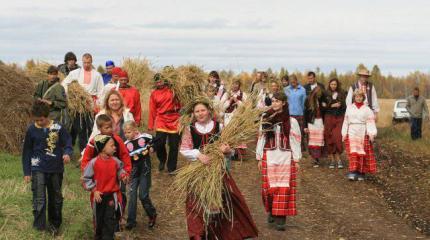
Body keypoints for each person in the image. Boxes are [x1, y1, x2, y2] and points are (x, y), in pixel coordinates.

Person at [179, 99, 258, 239]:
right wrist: (198, 155)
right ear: (193, 113)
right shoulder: (189, 128)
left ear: (209, 110)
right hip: (199, 174)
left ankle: (227, 233)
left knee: (226, 200)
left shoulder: (220, 127)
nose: (200, 113)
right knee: (198, 205)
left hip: (218, 172)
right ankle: (202, 234)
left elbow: (231, 151)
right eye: (197, 111)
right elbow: (184, 149)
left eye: (202, 110)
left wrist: (227, 150)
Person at [22, 102, 72, 234]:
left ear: (47, 116)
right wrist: (27, 171)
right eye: (36, 120)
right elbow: (27, 151)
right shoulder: (31, 129)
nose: (39, 122)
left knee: (55, 197)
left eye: (41, 119)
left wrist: (67, 153)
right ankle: (39, 226)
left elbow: (67, 142)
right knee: (39, 197)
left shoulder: (58, 127)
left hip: (55, 168)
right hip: (37, 167)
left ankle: (54, 225)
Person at [256, 92, 302, 231]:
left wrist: (297, 158)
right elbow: (261, 137)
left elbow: (295, 140)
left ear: (283, 103)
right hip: (269, 155)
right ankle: (271, 210)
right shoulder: (266, 117)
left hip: (285, 158)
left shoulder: (291, 121)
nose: (275, 103)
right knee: (268, 189)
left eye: (277, 101)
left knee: (283, 188)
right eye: (273, 101)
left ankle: (281, 218)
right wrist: (259, 156)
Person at [82, 135, 127, 240]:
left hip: (112, 196)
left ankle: (109, 236)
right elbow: (86, 178)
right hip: (99, 197)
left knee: (110, 220)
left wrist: (123, 176)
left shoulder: (115, 161)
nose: (115, 147)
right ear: (102, 148)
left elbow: (120, 170)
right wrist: (94, 190)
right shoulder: (93, 163)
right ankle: (98, 236)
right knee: (99, 221)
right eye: (112, 146)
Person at [62, 53, 104, 151]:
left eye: (88, 62)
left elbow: (101, 92)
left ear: (91, 62)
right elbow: (64, 84)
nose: (86, 65)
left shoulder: (97, 75)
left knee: (91, 129)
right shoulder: (75, 73)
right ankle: (82, 153)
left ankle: (92, 151)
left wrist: (97, 105)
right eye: (84, 62)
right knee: (80, 129)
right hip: (78, 106)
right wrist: (72, 95)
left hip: (91, 105)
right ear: (82, 62)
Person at [123, 121, 157, 230]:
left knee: (143, 195)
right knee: (132, 196)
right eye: (125, 132)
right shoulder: (125, 145)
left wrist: (152, 147)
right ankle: (131, 221)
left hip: (145, 171)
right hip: (133, 173)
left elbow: (157, 140)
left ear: (135, 130)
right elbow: (123, 158)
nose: (127, 134)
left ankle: (152, 214)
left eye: (129, 132)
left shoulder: (144, 137)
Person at [148, 73, 181, 174]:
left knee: (174, 145)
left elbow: (181, 102)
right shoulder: (154, 94)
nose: (159, 83)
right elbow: (152, 110)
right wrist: (150, 124)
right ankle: (162, 159)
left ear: (165, 80)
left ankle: (171, 167)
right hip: (161, 119)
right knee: (160, 142)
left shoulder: (173, 90)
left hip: (174, 119)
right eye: (157, 81)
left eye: (161, 81)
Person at [342, 89, 377, 181]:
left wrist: (371, 133)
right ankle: (352, 172)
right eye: (357, 96)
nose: (358, 98)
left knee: (361, 153)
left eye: (360, 96)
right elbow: (346, 121)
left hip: (362, 131)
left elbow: (370, 122)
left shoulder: (367, 109)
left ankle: (361, 172)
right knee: (353, 152)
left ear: (363, 98)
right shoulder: (349, 108)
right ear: (354, 97)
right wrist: (344, 133)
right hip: (352, 131)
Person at [322, 78, 346, 168]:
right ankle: (332, 160)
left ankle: (338, 159)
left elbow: (345, 106)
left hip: (339, 117)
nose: (333, 86)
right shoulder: (325, 93)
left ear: (337, 85)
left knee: (337, 137)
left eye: (335, 84)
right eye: (332, 84)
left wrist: (340, 105)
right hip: (328, 117)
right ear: (329, 84)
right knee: (329, 137)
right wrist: (331, 105)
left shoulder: (342, 93)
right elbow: (322, 107)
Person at [284, 75, 307, 150]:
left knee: (299, 132)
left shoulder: (302, 90)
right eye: (291, 82)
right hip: (289, 114)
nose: (292, 84)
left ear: (296, 81)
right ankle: (290, 147)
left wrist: (302, 111)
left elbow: (304, 103)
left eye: (293, 82)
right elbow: (284, 101)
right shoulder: (286, 89)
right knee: (290, 132)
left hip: (299, 114)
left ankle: (300, 148)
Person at [304, 86, 325, 167]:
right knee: (312, 141)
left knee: (319, 141)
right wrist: (305, 126)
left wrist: (324, 105)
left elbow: (324, 111)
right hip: (312, 122)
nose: (319, 95)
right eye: (317, 93)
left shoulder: (321, 100)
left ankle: (317, 158)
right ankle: (315, 159)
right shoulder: (308, 100)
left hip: (320, 122)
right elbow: (305, 113)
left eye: (320, 93)